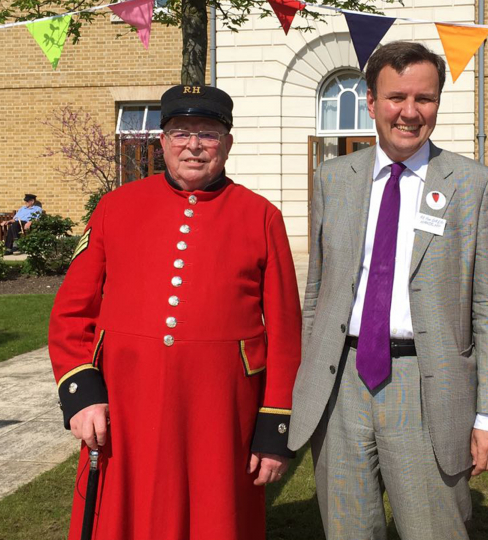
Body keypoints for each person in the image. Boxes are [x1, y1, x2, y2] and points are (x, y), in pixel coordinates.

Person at [48, 85, 302, 540]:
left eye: (208, 133)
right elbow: (71, 313)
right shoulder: (115, 208)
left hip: (222, 413)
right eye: (181, 132)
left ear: (227, 143)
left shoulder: (261, 216)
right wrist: (81, 393)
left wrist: (274, 426)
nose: (194, 145)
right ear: (162, 141)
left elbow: (285, 333)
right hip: (128, 405)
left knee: (217, 517)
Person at [288, 41, 488, 540]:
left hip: (427, 386)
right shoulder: (332, 178)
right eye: (396, 97)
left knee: (433, 530)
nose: (410, 112)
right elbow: (318, 291)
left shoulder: (473, 185)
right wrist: (307, 380)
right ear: (370, 101)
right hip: (341, 383)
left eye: (424, 99)